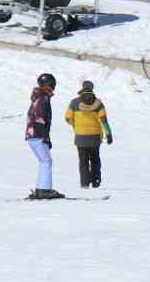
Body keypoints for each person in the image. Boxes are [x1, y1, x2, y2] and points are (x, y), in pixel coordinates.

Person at [64, 79, 113, 188]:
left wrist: (76, 126)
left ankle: (85, 183)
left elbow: (67, 118)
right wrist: (108, 134)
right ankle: (96, 181)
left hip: (80, 138)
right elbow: (104, 121)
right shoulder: (98, 103)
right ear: (92, 88)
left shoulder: (74, 102)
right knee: (95, 159)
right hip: (95, 137)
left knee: (83, 162)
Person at [25, 72, 64, 200]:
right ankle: (44, 189)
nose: (52, 88)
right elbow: (39, 116)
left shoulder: (38, 96)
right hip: (37, 133)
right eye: (51, 85)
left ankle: (42, 188)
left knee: (44, 161)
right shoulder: (43, 98)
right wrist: (45, 136)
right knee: (46, 161)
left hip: (32, 134)